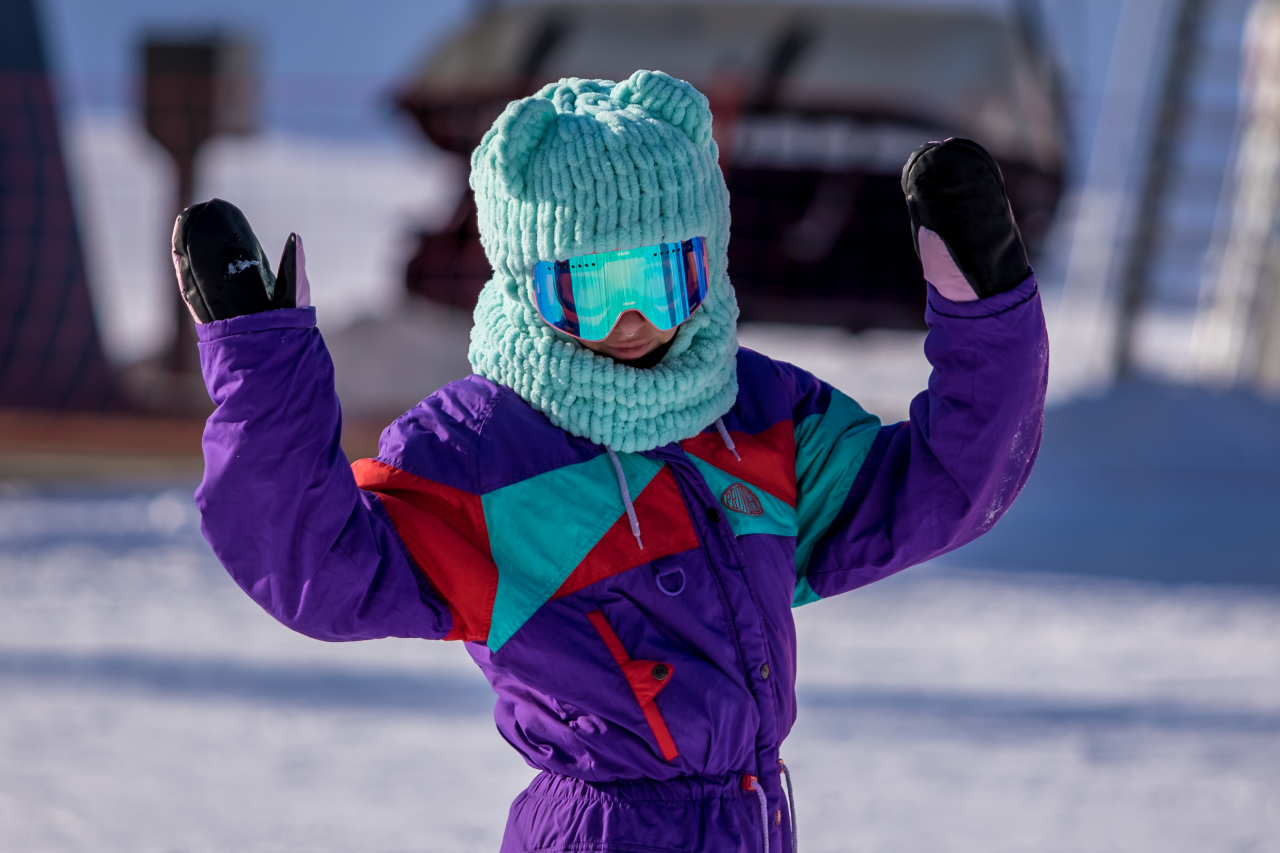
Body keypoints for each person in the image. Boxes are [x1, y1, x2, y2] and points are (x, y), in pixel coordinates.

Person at [175, 71, 1047, 853]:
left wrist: (987, 309)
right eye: (587, 290)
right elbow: (317, 565)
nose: (629, 319)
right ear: (525, 281)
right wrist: (264, 369)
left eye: (660, 279)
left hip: (752, 822)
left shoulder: (759, 417)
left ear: (707, 262)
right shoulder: (478, 452)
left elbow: (944, 483)